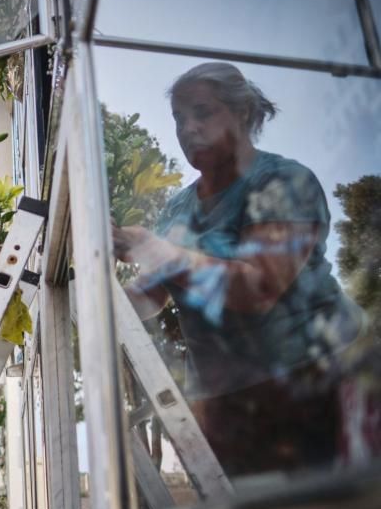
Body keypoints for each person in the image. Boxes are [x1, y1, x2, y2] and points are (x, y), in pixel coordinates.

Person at [112, 62, 364, 478]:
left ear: (243, 113)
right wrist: (91, 280)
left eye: (202, 112)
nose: (188, 127)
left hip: (313, 390)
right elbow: (149, 299)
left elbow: (258, 288)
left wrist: (152, 248)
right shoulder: (177, 209)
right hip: (227, 408)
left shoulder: (283, 182)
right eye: (179, 117)